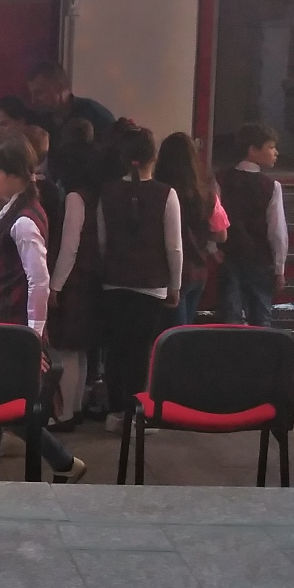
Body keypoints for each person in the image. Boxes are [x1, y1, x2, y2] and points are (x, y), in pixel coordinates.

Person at [0, 138, 86, 484]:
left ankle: (59, 462)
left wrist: (34, 335)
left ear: (15, 175)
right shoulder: (14, 208)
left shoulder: (23, 220)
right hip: (4, 318)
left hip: (13, 323)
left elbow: (39, 281)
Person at [96, 126, 182, 415]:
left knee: (115, 350)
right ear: (153, 157)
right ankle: (135, 415)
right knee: (141, 352)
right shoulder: (166, 194)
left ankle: (114, 411)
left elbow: (102, 241)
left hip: (114, 281)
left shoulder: (107, 192)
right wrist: (175, 285)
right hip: (152, 283)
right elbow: (174, 247)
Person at [45, 125, 106, 428]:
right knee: (80, 348)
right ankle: (76, 407)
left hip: (74, 282)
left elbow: (69, 246)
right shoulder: (97, 195)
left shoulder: (73, 198)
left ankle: (64, 412)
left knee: (66, 346)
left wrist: (55, 286)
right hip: (92, 279)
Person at [216, 123, 288, 328]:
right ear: (253, 150)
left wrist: (213, 248)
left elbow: (213, 218)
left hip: (228, 255)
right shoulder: (271, 186)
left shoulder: (220, 179)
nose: (276, 152)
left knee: (230, 318)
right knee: (261, 318)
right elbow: (277, 231)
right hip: (260, 259)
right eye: (271, 147)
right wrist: (279, 267)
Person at [156, 131, 223, 327]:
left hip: (169, 273)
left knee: (172, 332)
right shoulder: (207, 194)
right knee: (185, 329)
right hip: (198, 270)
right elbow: (221, 234)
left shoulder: (160, 193)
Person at [25, 62, 116, 143]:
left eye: (39, 93)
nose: (33, 100)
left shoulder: (96, 116)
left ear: (59, 87)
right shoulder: (40, 119)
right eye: (32, 94)